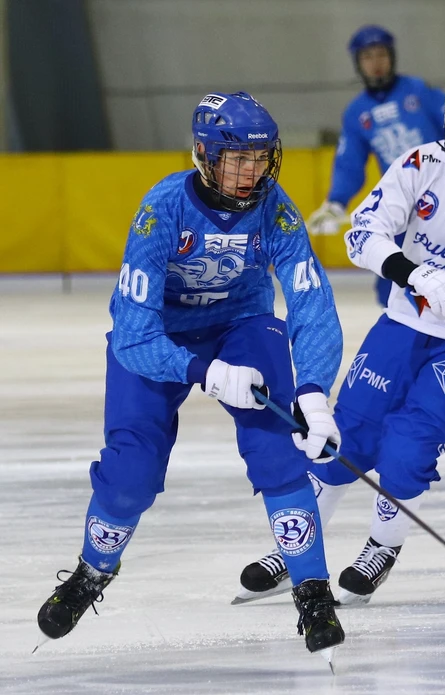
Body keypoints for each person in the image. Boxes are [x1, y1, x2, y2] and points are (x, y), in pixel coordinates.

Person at [237, 67, 445, 605]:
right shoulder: (420, 165)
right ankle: (298, 542)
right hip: (405, 323)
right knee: (347, 434)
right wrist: (414, 274)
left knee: (407, 449)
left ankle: (381, 547)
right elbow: (362, 234)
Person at [36, 92, 346, 658]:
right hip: (163, 339)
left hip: (243, 324)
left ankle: (312, 587)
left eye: (261, 158)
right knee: (130, 471)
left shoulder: (275, 209)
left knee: (279, 453)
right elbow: (132, 333)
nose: (252, 172)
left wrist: (314, 393)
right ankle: (92, 570)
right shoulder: (161, 211)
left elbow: (311, 301)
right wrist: (204, 370)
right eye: (237, 158)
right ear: (204, 154)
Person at [306, 24, 445, 306]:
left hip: (444, 196)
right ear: (358, 64)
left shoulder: (419, 91)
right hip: (401, 205)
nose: (376, 63)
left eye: (381, 54)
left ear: (391, 56)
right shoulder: (357, 113)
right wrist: (336, 203)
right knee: (391, 285)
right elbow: (349, 163)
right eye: (367, 57)